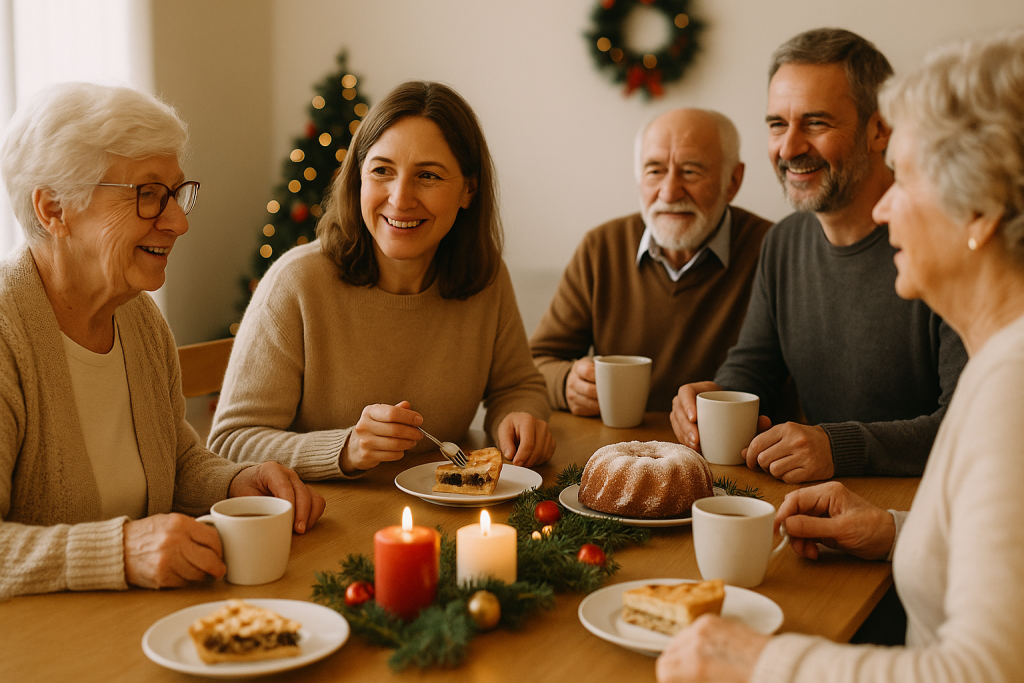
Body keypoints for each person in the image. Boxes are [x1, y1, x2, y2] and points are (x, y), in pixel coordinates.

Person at [657, 29, 1024, 683]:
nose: (885, 204)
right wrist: (890, 528)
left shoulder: (1012, 383)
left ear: (980, 213)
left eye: (906, 179)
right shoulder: (1002, 363)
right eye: (778, 122)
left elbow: (981, 669)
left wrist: (759, 660)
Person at [0, 83, 324, 601]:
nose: (179, 221)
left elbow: (172, 459)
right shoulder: (6, 333)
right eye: (148, 195)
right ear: (54, 209)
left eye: (176, 193)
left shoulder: (139, 319)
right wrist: (122, 550)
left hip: (139, 623)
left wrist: (235, 482)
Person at [209, 81, 554, 479]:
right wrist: (346, 448)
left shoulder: (484, 276)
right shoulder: (297, 283)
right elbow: (230, 442)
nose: (400, 198)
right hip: (321, 524)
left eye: (428, 175)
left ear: (469, 191)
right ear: (358, 178)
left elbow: (517, 384)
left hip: (443, 514)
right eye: (382, 171)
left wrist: (520, 417)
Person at [671, 28, 967, 483]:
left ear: (879, 129)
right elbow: (755, 368)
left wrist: (838, 447)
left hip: (923, 510)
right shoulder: (784, 242)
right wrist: (716, 399)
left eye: (816, 123)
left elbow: (968, 426)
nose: (789, 149)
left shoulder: (952, 243)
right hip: (821, 505)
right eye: (776, 124)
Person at [530, 108, 773, 414]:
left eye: (690, 171)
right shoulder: (601, 248)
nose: (669, 193)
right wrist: (566, 383)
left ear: (732, 181)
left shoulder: (775, 251)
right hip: (618, 454)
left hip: (731, 454)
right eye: (655, 171)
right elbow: (535, 364)